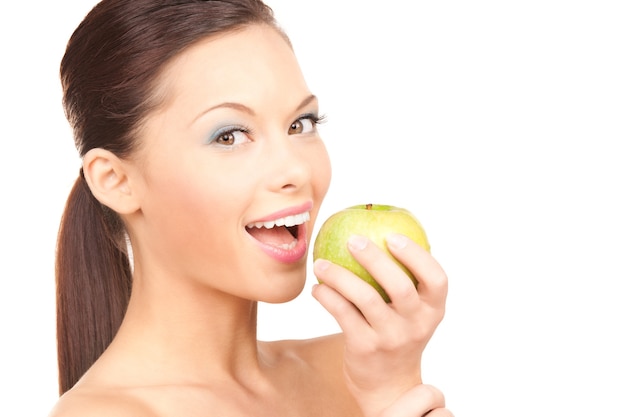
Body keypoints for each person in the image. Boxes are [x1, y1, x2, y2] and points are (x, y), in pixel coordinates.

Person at [49, 1, 452, 416]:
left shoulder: (360, 370)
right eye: (230, 136)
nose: (296, 169)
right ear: (115, 180)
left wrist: (394, 387)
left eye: (301, 124)